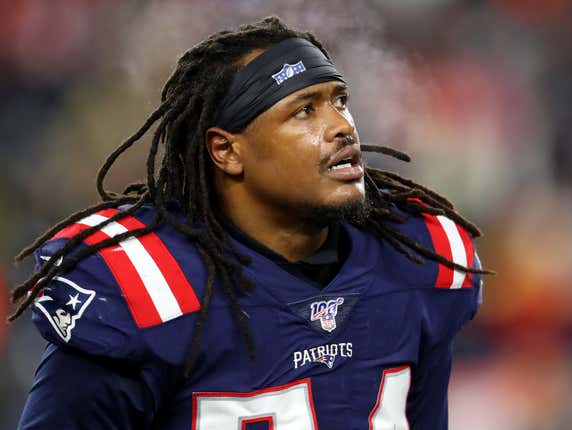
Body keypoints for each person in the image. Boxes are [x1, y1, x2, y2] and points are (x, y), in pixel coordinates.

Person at [11, 16, 491, 430]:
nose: (342, 126)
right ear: (227, 150)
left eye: (339, 100)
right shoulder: (148, 287)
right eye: (304, 111)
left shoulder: (413, 255)